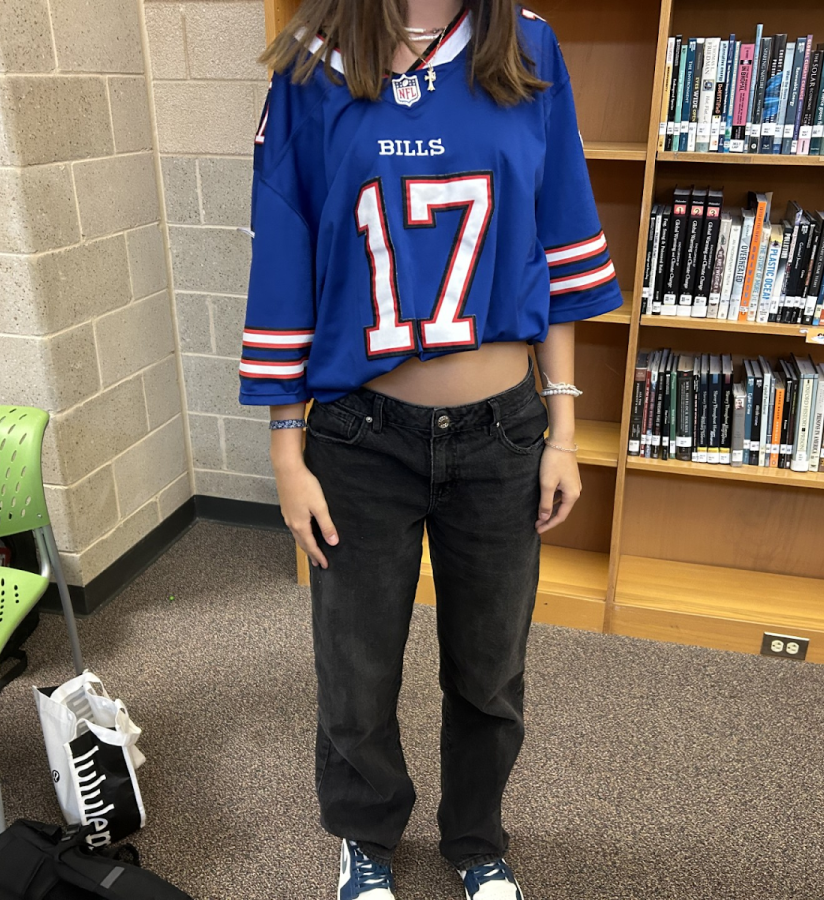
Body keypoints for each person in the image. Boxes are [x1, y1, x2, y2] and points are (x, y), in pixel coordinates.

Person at [241, 1, 622, 896]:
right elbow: (284, 257)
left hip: (501, 434)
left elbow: (558, 238)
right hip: (358, 437)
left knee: (491, 672)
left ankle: (477, 837)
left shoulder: (527, 46)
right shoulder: (311, 60)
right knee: (357, 670)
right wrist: (286, 452)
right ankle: (365, 836)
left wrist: (564, 427)